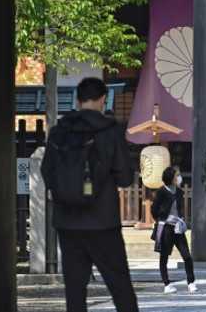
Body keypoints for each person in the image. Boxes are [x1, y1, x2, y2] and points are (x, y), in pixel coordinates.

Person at [40, 77, 139, 312]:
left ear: (78, 99)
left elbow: (47, 171)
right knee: (120, 286)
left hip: (68, 222)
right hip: (103, 222)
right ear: (103, 99)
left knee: (75, 290)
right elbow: (125, 177)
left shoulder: (58, 132)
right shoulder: (111, 130)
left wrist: (64, 192)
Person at [150, 165, 198, 294]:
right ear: (170, 177)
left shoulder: (178, 191)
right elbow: (154, 210)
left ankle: (191, 282)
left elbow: (180, 209)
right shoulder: (161, 192)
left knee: (187, 256)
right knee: (164, 257)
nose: (179, 177)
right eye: (177, 175)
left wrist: (181, 219)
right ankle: (166, 284)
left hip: (177, 228)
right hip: (165, 228)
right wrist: (162, 219)